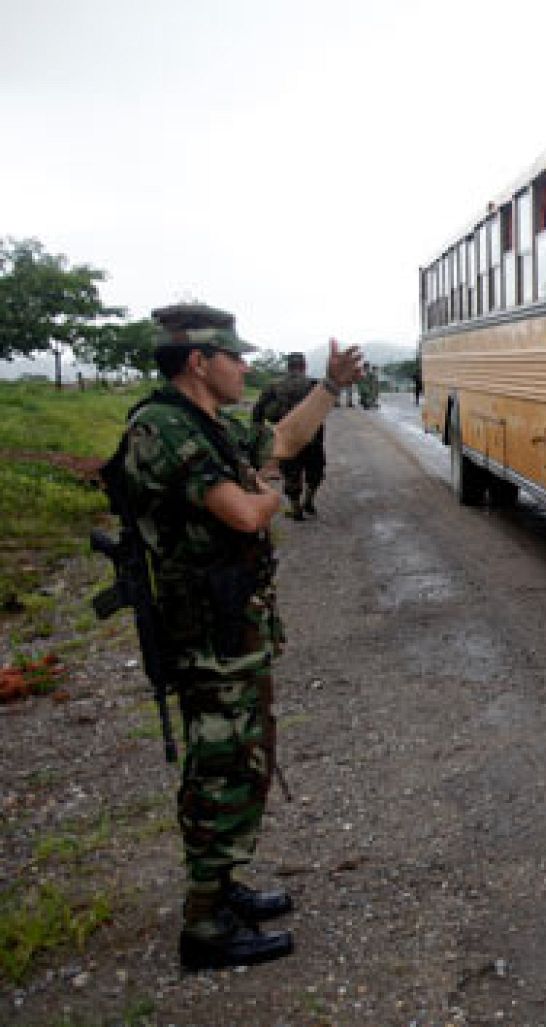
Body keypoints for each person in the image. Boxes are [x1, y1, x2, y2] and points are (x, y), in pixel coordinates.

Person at [117, 302, 362, 969]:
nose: (245, 368)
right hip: (205, 632)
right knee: (220, 766)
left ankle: (222, 888)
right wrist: (269, 493)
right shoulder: (163, 428)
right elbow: (246, 513)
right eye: (235, 357)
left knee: (244, 758)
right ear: (199, 362)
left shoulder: (210, 424)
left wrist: (330, 388)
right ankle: (204, 926)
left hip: (231, 624)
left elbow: (280, 441)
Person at [251, 352, 325, 520]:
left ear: (288, 367)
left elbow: (258, 411)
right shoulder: (313, 384)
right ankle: (309, 500)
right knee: (315, 470)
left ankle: (296, 509)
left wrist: (259, 434)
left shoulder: (274, 386)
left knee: (291, 472)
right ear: (304, 366)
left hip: (287, 437)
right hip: (313, 437)